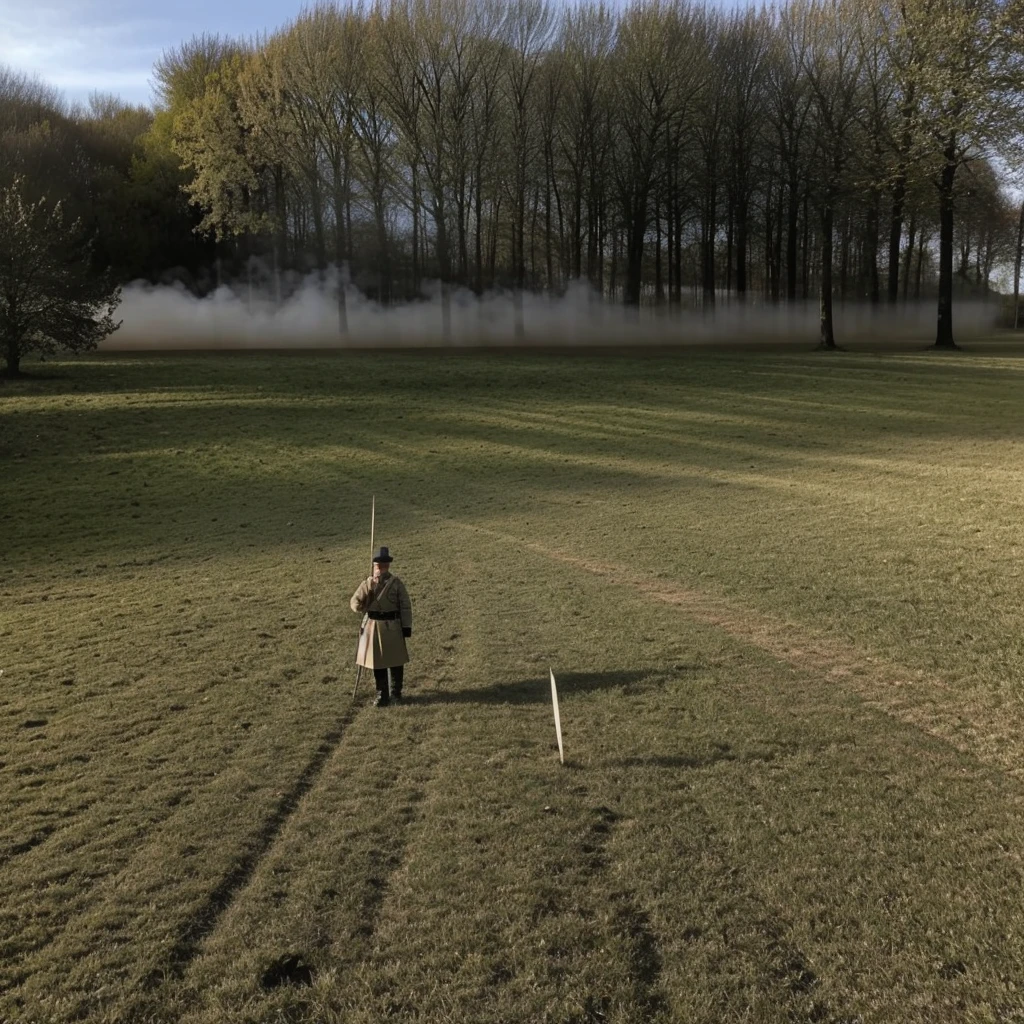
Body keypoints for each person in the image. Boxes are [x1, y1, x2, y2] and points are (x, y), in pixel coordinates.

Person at [350, 546, 413, 707]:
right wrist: (361, 603)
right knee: (377, 663)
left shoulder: (397, 584)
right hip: (373, 627)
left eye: (383, 565)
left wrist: (406, 627)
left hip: (392, 626)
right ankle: (382, 694)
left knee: (395, 661)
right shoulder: (368, 584)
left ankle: (396, 693)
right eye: (378, 565)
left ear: (388, 566)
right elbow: (354, 602)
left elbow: (405, 606)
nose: (380, 568)